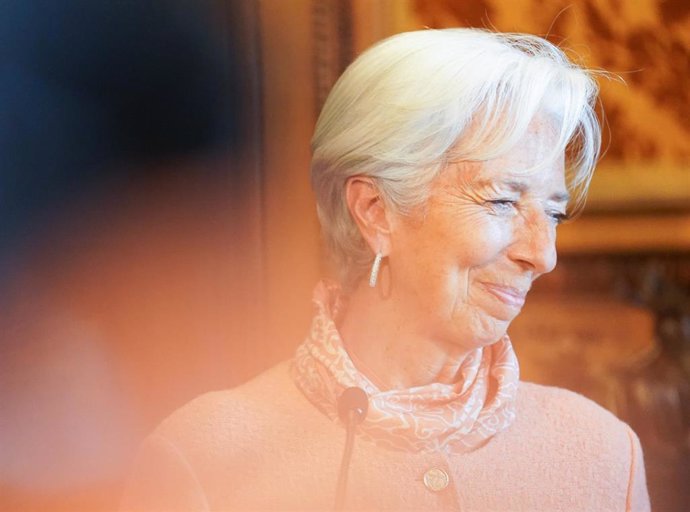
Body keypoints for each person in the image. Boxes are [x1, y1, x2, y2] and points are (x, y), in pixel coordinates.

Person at [120, 28, 650, 511]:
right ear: (375, 212)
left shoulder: (603, 455)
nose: (543, 254)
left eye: (553, 212)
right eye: (502, 201)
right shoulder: (203, 459)